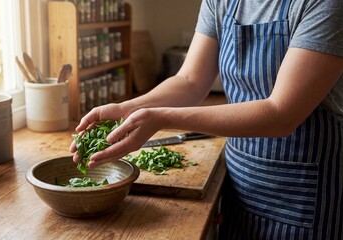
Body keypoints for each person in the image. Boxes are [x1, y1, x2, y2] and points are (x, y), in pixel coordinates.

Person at [70, 0, 343, 239]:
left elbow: (280, 114)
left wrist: (160, 118)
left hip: (304, 197)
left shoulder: (326, 4)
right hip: (242, 185)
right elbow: (190, 81)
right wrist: (127, 109)